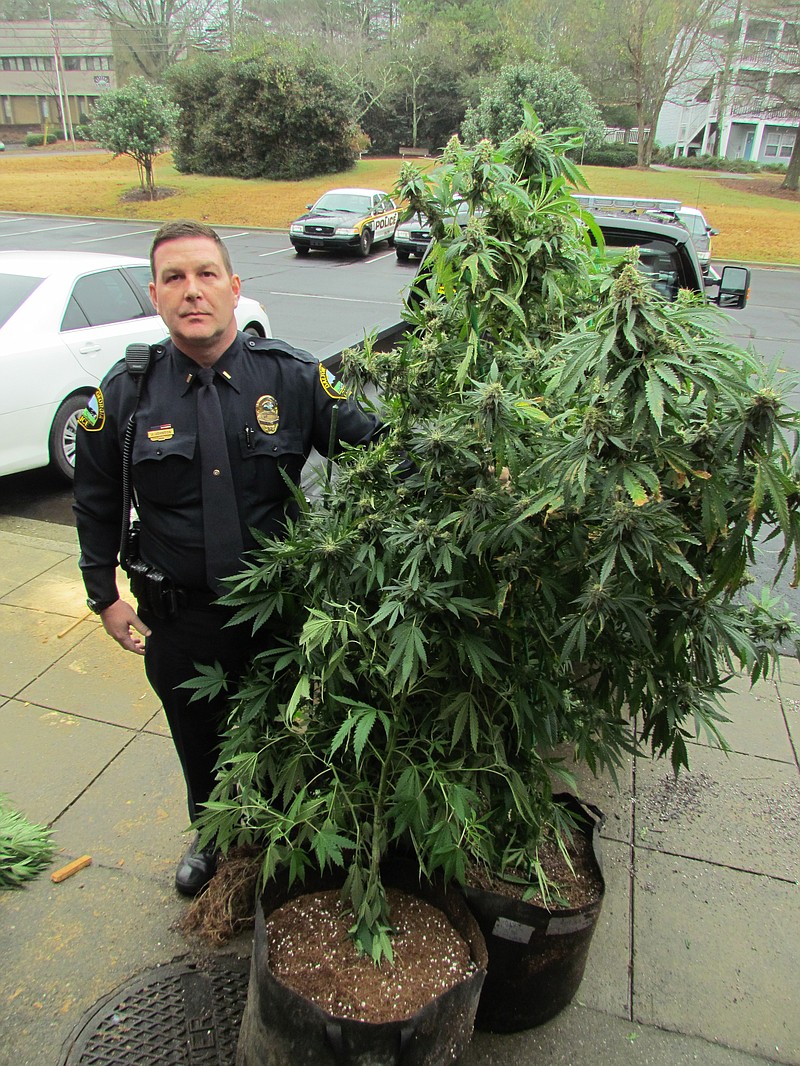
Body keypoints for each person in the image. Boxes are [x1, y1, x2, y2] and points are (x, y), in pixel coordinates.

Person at [73, 220, 382, 896]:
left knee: (295, 734)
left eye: (206, 274)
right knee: (198, 740)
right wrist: (103, 595)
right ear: (155, 295)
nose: (192, 291)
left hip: (283, 620)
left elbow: (381, 454)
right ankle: (212, 836)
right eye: (175, 278)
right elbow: (95, 497)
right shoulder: (126, 395)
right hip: (180, 621)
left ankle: (298, 840)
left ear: (235, 288)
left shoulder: (295, 378)